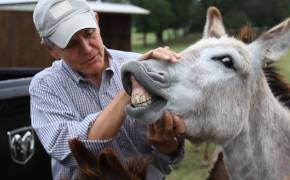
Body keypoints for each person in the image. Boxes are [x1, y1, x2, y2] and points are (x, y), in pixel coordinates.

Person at [29, 0, 186, 179]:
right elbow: (72, 151)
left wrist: (166, 143)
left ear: (96, 20)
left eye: (89, 33)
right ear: (52, 49)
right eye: (71, 43)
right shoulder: (45, 86)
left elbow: (172, 151)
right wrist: (131, 83)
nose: (87, 49)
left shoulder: (137, 64)